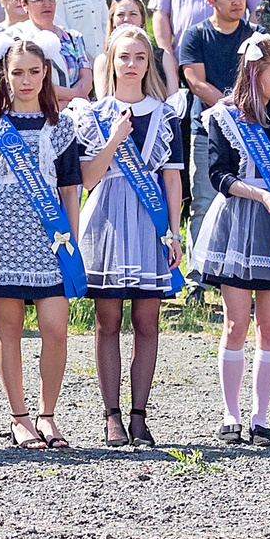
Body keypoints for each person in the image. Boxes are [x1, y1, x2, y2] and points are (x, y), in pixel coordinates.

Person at [0, 30, 90, 450]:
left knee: (56, 328)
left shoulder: (62, 126)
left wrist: (71, 242)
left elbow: (70, 189)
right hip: (2, 237)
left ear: (46, 72)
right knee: (10, 328)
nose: (26, 80)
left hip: (50, 239)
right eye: (18, 72)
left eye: (34, 72)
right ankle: (19, 417)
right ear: (4, 74)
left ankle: (47, 414)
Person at [189, 37, 270, 445]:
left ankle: (260, 417)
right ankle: (231, 414)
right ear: (254, 73)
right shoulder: (223, 117)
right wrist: (260, 195)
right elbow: (219, 175)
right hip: (239, 223)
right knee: (235, 323)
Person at [75, 26, 183, 448]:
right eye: (124, 56)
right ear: (112, 61)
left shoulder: (165, 115)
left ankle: (140, 415)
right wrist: (114, 140)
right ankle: (112, 415)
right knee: (107, 321)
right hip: (105, 219)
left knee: (147, 322)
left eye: (140, 57)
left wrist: (173, 231)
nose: (132, 64)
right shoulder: (92, 114)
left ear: (149, 63)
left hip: (149, 222)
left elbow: (172, 179)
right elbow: (87, 179)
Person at [176, 0, 256, 239]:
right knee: (204, 202)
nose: (237, 1)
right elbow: (196, 83)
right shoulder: (195, 35)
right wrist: (233, 110)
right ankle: (198, 265)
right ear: (211, 0)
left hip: (250, 130)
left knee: (248, 202)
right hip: (207, 131)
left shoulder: (256, 35)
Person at [6, 0, 93, 106]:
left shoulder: (73, 37)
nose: (47, 4)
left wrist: (74, 102)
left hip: (76, 109)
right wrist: (75, 97)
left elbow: (86, 79)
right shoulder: (17, 37)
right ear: (24, 5)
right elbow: (30, 82)